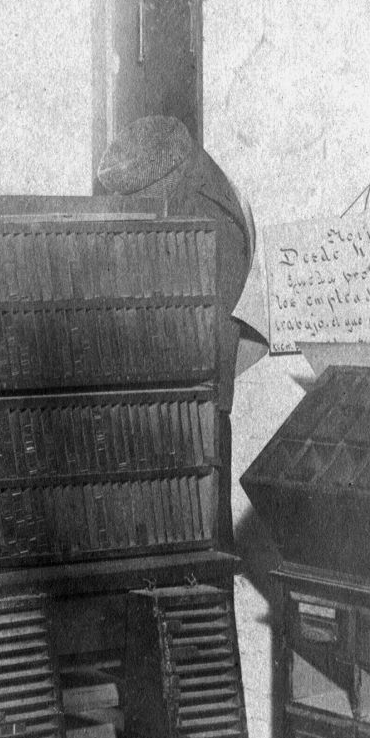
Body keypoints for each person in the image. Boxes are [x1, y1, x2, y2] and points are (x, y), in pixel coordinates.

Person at [95, 114, 257, 546]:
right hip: (166, 415)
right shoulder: (197, 185)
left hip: (190, 421)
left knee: (198, 563)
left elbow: (201, 344)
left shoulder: (210, 217)